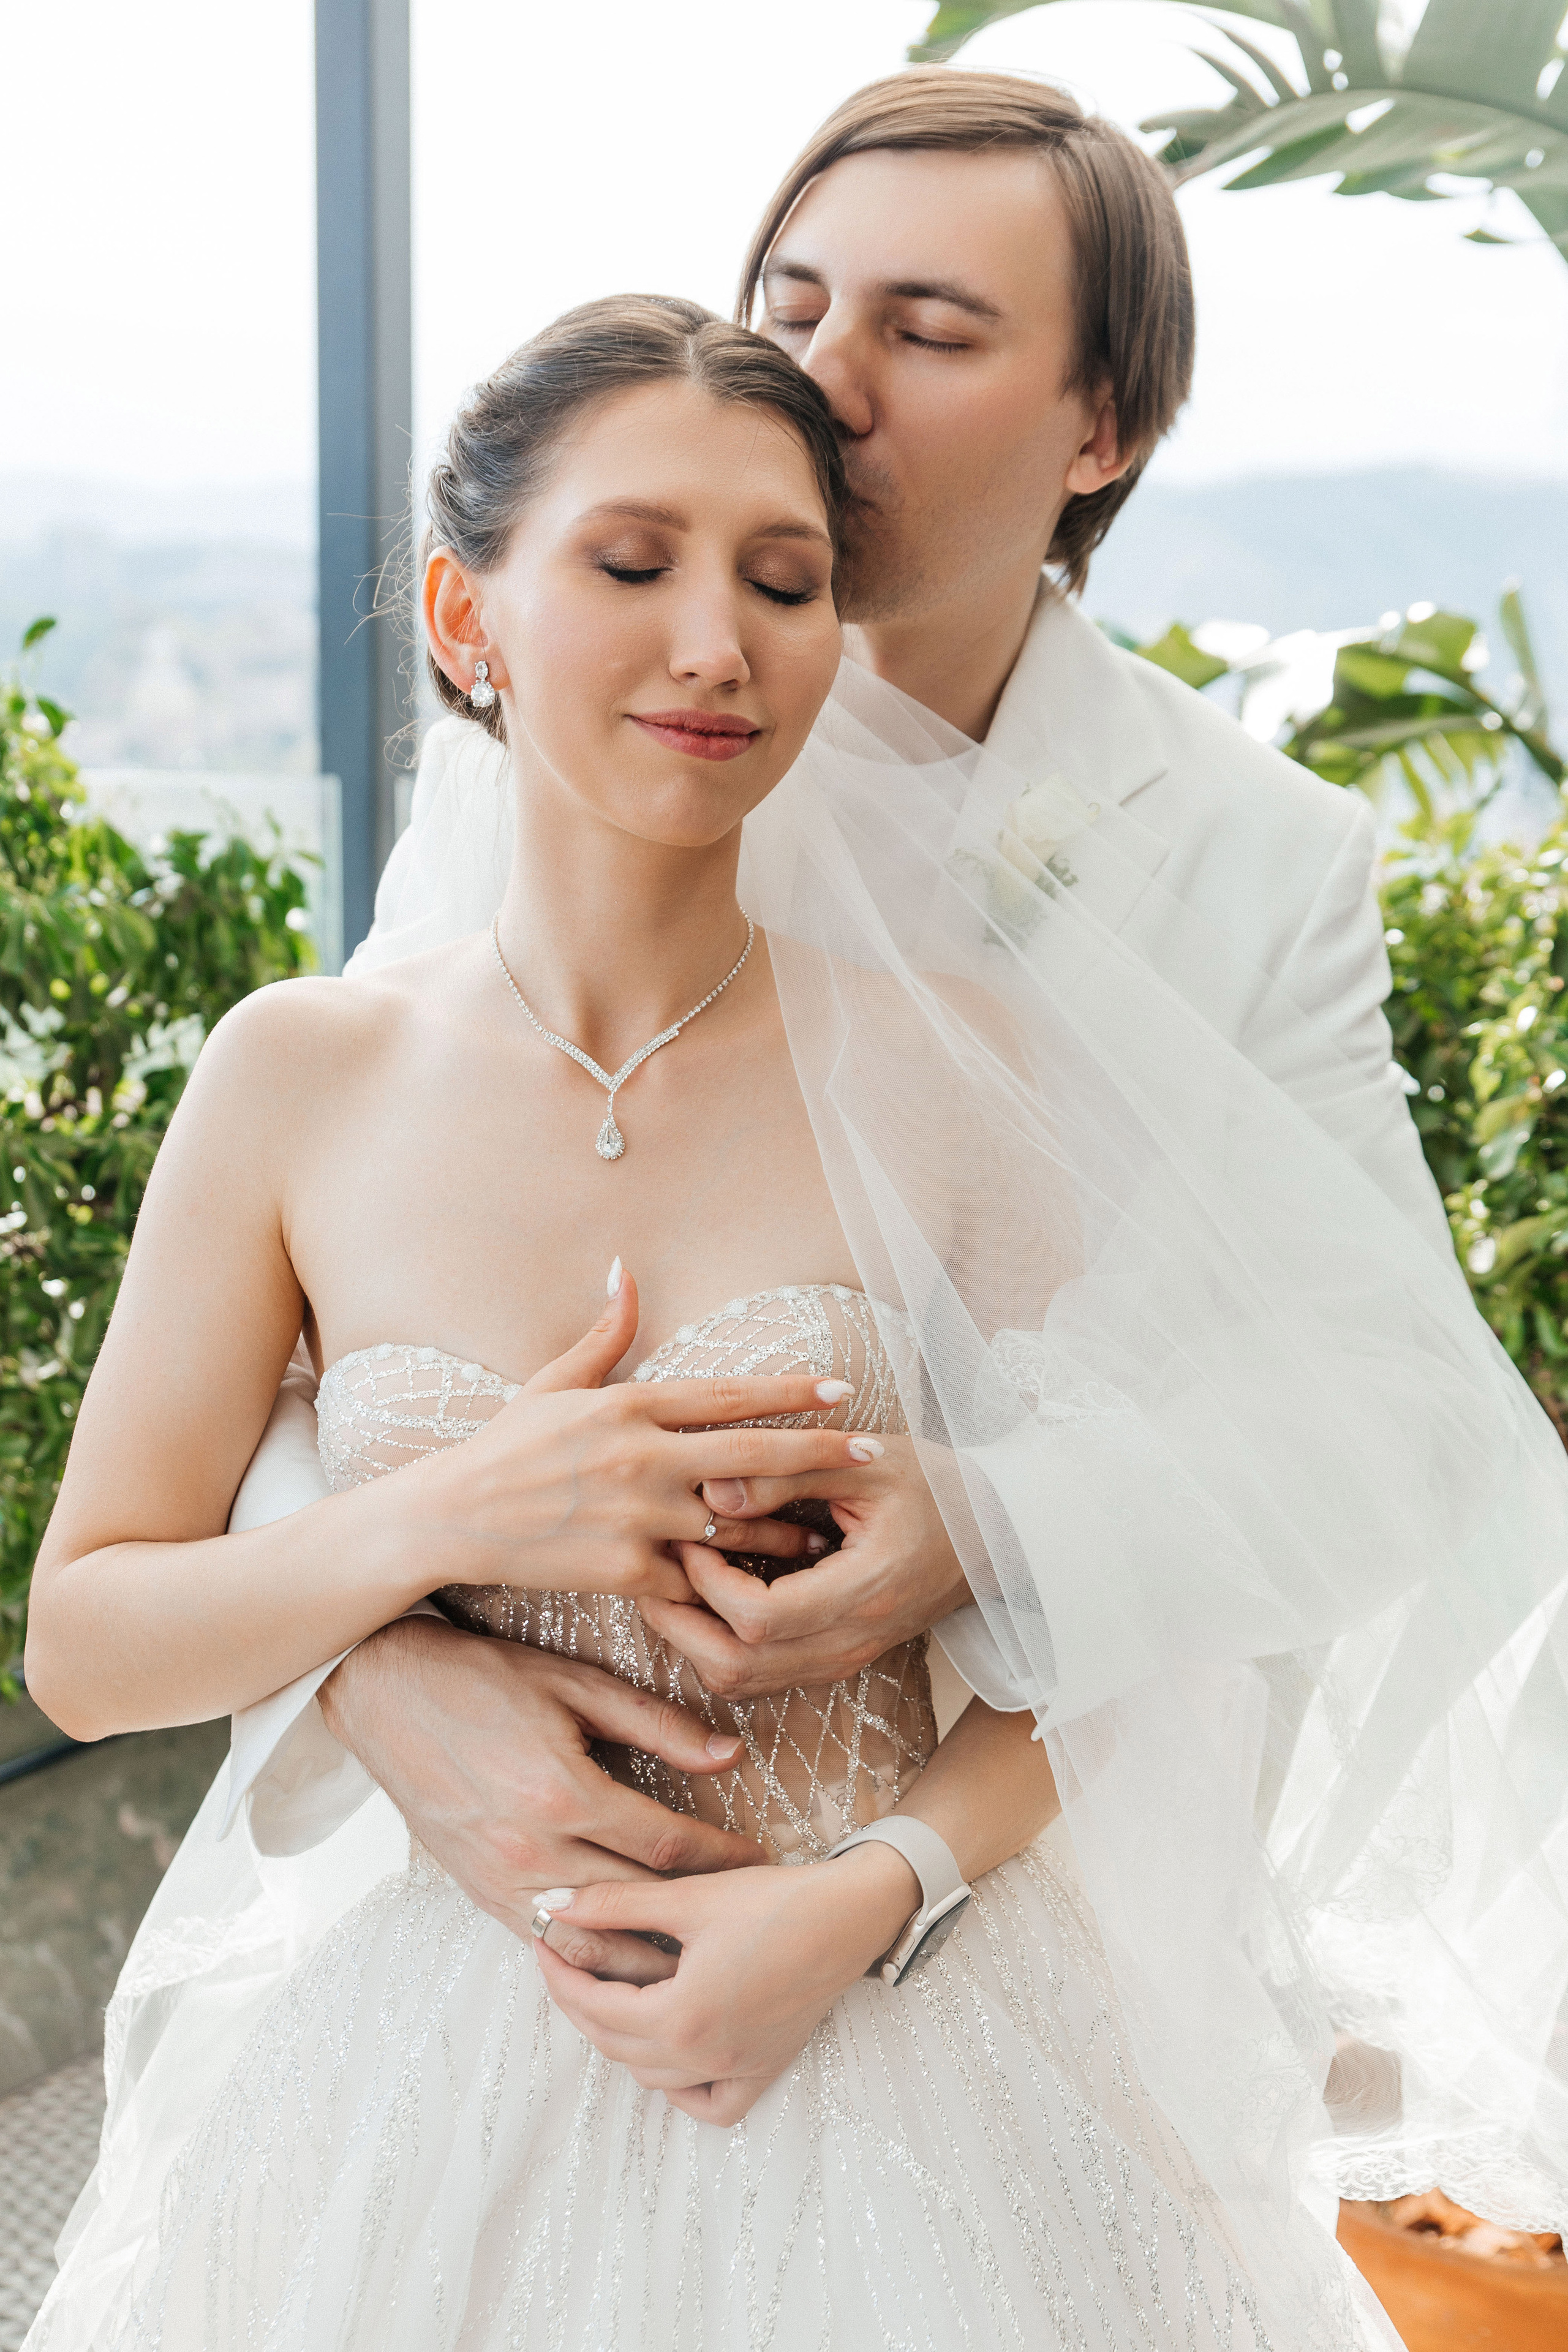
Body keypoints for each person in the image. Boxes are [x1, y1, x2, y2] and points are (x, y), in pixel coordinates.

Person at [23, 295, 1363, 2348]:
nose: (721, 644)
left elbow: (1134, 1621)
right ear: (470, 618)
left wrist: (873, 1896)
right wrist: (445, 1516)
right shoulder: (297, 1074)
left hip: (916, 2056)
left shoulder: (957, 1068)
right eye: (632, 565)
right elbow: (93, 1637)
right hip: (436, 2062)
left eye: (787, 580)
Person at [233, 66, 1452, 1939]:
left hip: (1049, 1853)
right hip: (529, 1850)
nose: (822, 374)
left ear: (1100, 429)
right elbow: (320, 1307)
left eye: (926, 328)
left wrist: (986, 1517)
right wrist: (369, 1671)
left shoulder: (1258, 856)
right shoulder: (584, 754)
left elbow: (1387, 1416)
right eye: (790, 304)